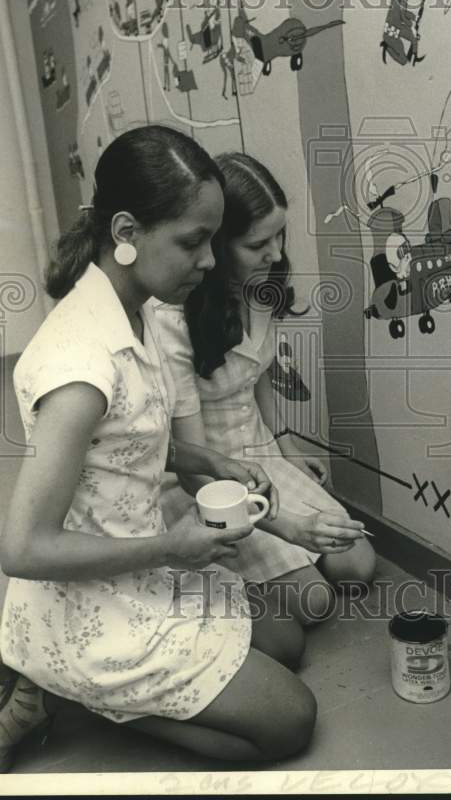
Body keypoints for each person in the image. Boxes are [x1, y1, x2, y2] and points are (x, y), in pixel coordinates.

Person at [0, 127, 316, 774]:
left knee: (286, 638)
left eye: (213, 241)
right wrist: (171, 548)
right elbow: (22, 549)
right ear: (127, 231)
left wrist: (207, 462)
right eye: (193, 242)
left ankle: (74, 688)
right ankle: (63, 694)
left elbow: (123, 447)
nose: (212, 261)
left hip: (133, 554)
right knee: (290, 721)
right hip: (92, 591)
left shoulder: (138, 308)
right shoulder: (80, 366)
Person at [157, 152, 376, 628]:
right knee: (314, 605)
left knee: (357, 566)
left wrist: (286, 447)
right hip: (205, 481)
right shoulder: (175, 321)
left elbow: (258, 379)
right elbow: (194, 464)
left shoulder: (263, 287)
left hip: (260, 455)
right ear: (217, 247)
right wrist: (291, 528)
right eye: (259, 242)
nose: (276, 253)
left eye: (280, 235)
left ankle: (281, 566)